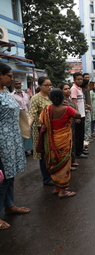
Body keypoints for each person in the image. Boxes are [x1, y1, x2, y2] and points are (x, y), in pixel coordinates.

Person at [0, 63, 30, 230]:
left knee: (9, 176)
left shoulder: (5, 92)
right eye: (9, 76)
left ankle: (9, 205)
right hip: (2, 141)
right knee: (1, 178)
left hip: (12, 139)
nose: (12, 79)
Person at [39, 89, 81, 198]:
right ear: (62, 98)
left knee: (54, 163)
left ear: (50, 98)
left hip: (51, 142)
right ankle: (63, 191)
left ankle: (56, 188)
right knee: (63, 165)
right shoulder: (67, 109)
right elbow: (78, 115)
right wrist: (70, 107)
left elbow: (42, 121)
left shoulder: (47, 109)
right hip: (63, 141)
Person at [28, 77, 53, 185]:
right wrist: (28, 126)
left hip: (52, 129)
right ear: (40, 86)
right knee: (43, 154)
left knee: (52, 153)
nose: (49, 87)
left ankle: (53, 175)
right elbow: (32, 114)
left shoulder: (52, 97)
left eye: (50, 85)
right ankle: (46, 179)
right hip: (40, 130)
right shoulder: (35, 98)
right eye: (46, 85)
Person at [11, 79, 33, 155]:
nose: (18, 85)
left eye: (19, 84)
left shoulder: (25, 94)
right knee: (23, 133)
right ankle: (24, 150)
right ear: (14, 85)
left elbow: (29, 106)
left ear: (21, 84)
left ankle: (32, 148)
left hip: (28, 116)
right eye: (16, 84)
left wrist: (31, 115)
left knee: (30, 132)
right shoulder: (11, 95)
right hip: (19, 118)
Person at [61, 84, 78, 171]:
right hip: (66, 125)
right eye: (65, 89)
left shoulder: (69, 99)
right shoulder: (62, 101)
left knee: (73, 142)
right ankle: (68, 163)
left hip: (73, 123)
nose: (68, 90)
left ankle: (73, 160)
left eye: (68, 88)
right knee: (68, 143)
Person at [70, 72, 88, 159]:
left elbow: (81, 101)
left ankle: (81, 149)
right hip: (78, 115)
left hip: (82, 114)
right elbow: (74, 102)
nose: (80, 81)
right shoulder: (73, 89)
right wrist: (76, 114)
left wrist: (85, 109)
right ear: (74, 80)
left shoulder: (79, 89)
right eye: (78, 79)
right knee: (78, 134)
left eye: (81, 79)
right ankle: (78, 152)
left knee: (81, 133)